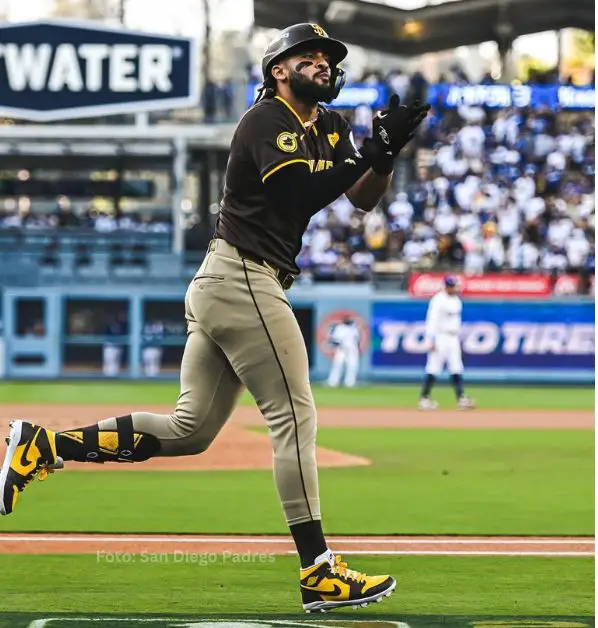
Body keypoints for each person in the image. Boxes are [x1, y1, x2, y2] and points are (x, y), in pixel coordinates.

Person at [0, 22, 430, 613]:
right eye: (312, 57)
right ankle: (318, 570)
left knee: (190, 430)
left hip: (232, 280)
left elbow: (362, 196)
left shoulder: (329, 125)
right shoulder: (265, 120)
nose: (325, 65)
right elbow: (295, 197)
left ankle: (43, 445)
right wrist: (372, 153)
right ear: (279, 68)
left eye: (330, 59)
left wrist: (385, 156)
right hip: (243, 277)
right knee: (295, 417)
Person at [418, 275, 474, 410]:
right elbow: (431, 320)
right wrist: (430, 339)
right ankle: (424, 399)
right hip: (440, 336)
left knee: (456, 367)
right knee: (433, 367)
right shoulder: (438, 300)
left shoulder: (456, 300)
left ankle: (461, 399)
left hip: (453, 337)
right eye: (451, 285)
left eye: (454, 285)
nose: (454, 288)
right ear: (446, 286)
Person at [326, 317, 360, 388]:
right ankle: (333, 382)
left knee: (352, 367)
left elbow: (357, 340)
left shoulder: (355, 328)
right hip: (342, 349)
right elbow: (336, 340)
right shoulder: (340, 328)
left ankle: (350, 383)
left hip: (352, 351)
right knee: (337, 366)